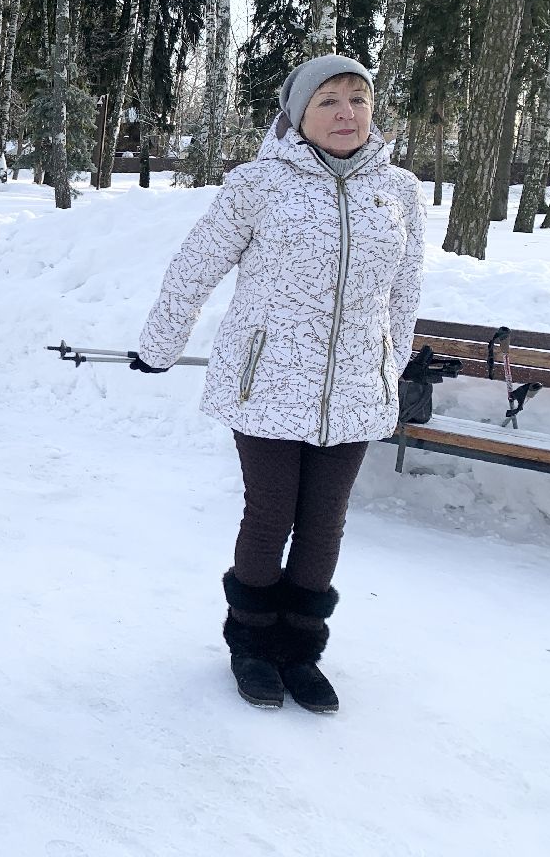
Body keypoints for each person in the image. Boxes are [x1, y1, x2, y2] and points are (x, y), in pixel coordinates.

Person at [131, 54, 425, 713]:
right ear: (297, 115)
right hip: (265, 384)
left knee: (324, 524)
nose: (346, 112)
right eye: (328, 100)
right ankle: (251, 645)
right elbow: (195, 266)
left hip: (355, 389)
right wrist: (159, 347)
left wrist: (392, 365)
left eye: (358, 98)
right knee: (270, 516)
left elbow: (404, 289)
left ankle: (300, 650)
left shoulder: (399, 190)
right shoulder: (258, 184)